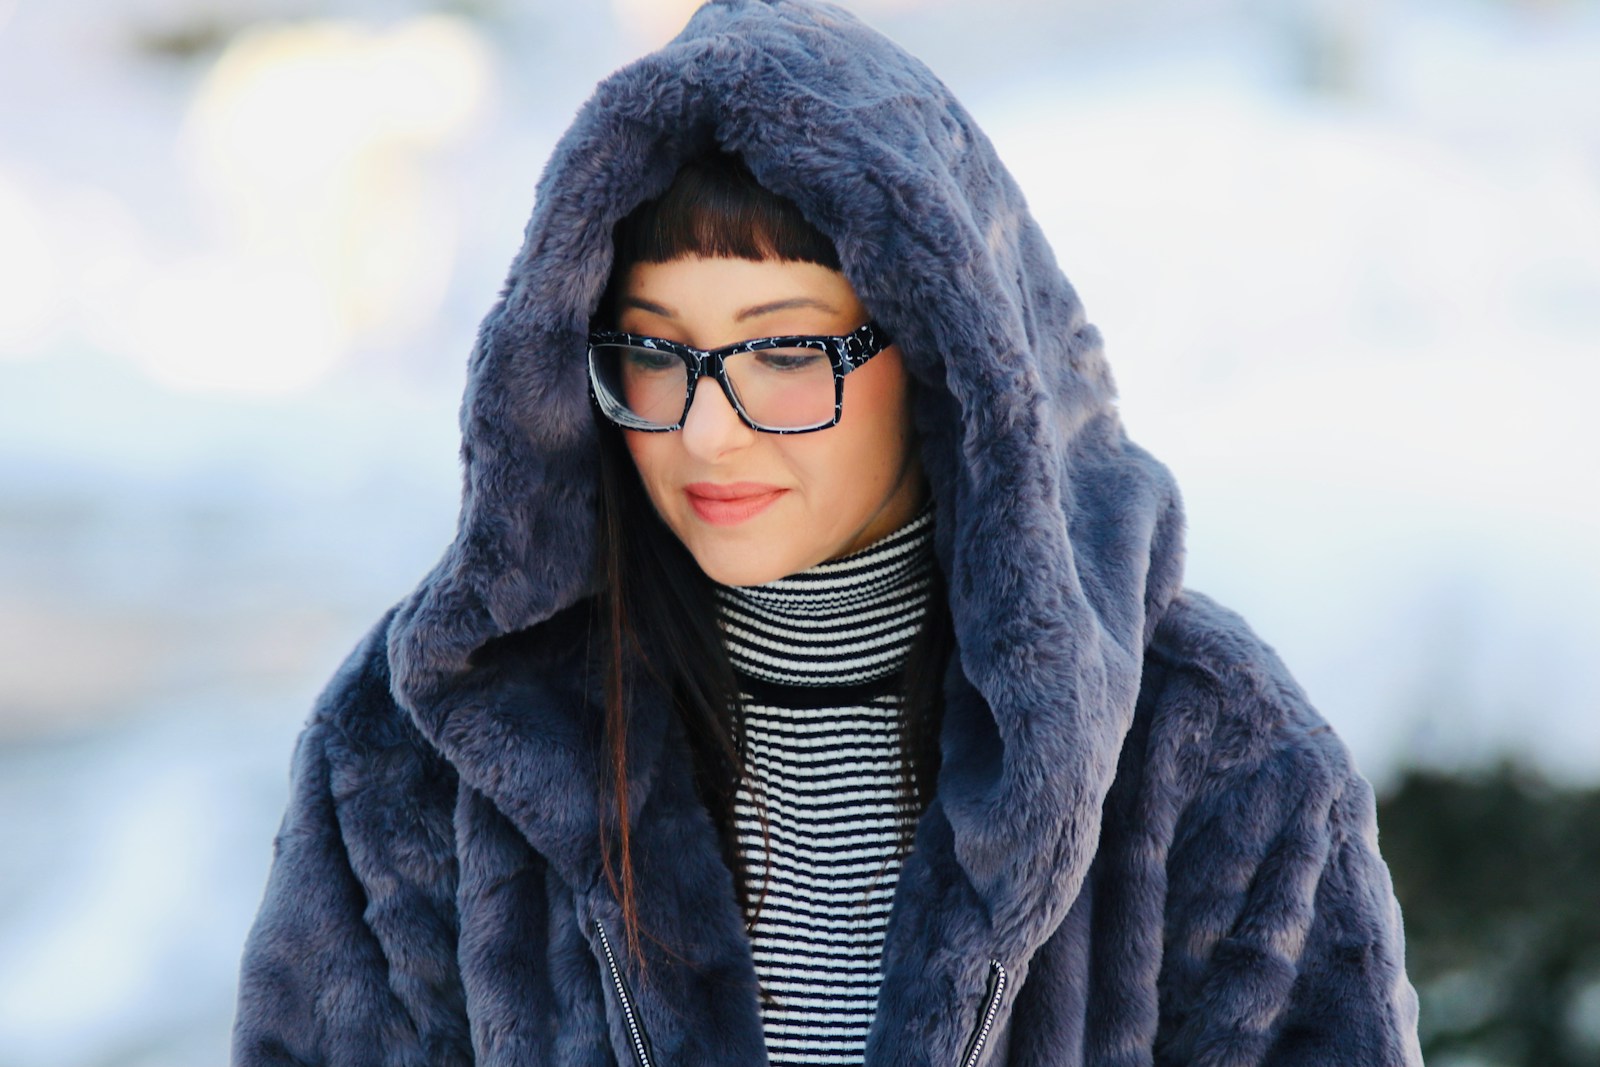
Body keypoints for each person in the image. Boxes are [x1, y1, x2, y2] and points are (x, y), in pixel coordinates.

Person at [231, 2, 1423, 1065]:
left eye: (787, 351)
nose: (706, 432)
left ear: (947, 363)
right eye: (652, 350)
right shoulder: (426, 748)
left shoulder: (1210, 754)